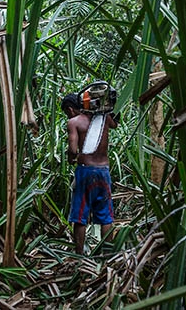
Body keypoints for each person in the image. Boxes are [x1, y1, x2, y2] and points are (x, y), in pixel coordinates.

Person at [61, 92, 118, 255]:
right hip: (103, 171)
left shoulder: (74, 122)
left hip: (85, 170)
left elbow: (72, 149)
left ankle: (79, 256)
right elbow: (115, 123)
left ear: (71, 109)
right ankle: (107, 255)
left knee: (80, 214)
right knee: (105, 215)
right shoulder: (104, 119)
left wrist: (72, 158)